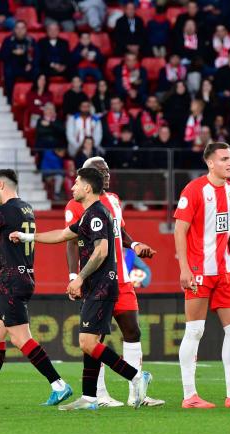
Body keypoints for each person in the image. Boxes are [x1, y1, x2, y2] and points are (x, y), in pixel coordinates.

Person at [10, 167, 153, 410]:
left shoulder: (97, 214)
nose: (73, 187)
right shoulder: (89, 214)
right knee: (91, 341)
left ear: (87, 188)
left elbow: (102, 251)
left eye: (76, 183)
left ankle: (137, 376)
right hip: (95, 286)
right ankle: (89, 397)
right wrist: (27, 238)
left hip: (101, 285)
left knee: (87, 342)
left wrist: (79, 278)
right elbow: (61, 235)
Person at [0, 169, 72, 407]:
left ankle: (59, 385)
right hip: (23, 277)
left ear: (0, 185)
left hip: (11, 282)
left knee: (21, 338)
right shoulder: (27, 210)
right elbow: (6, 243)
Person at [61, 157, 164, 406]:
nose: (106, 174)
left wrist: (135, 244)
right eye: (100, 171)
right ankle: (100, 394)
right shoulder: (76, 204)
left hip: (123, 280)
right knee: (96, 340)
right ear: (88, 177)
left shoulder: (114, 200)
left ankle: (136, 394)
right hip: (97, 281)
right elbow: (70, 241)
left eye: (107, 170)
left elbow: (120, 232)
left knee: (132, 331)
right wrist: (74, 276)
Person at [174, 142, 230, 409]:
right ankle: (190, 396)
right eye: (224, 158)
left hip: (224, 271)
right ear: (210, 163)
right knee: (195, 330)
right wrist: (185, 268)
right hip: (200, 270)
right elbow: (179, 230)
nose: (229, 162)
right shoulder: (194, 189)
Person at [0, 20, 38, 102]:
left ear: (26, 30)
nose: (20, 31)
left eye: (22, 28)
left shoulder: (31, 41)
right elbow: (1, 56)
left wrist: (31, 64)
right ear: (14, 30)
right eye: (17, 28)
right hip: (13, 67)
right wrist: (12, 52)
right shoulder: (8, 40)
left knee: (38, 72)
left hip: (26, 67)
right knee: (8, 71)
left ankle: (34, 98)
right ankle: (9, 99)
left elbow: (37, 56)